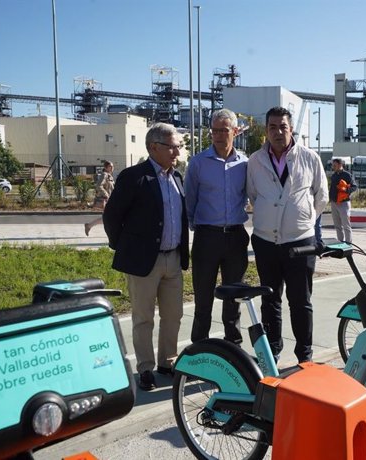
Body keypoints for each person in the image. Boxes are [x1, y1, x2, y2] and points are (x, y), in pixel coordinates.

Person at [103, 122, 189, 391]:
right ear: (154, 147)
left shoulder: (176, 178)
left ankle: (167, 361)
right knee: (143, 318)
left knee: (173, 315)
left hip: (173, 259)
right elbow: (112, 215)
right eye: (173, 146)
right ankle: (145, 368)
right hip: (144, 262)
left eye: (178, 146)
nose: (177, 152)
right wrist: (123, 246)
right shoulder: (134, 176)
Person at [247, 106, 328, 363]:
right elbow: (253, 195)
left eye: (283, 126)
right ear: (266, 131)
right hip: (265, 242)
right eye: (272, 127)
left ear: (291, 129)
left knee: (300, 301)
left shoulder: (309, 157)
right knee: (270, 301)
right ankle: (272, 352)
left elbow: (321, 195)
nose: (278, 132)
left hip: (300, 243)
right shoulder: (255, 161)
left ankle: (304, 355)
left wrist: (302, 220)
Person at [185, 108, 249, 345]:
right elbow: (189, 199)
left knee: (234, 298)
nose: (219, 135)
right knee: (203, 299)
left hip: (235, 238)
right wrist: (197, 227)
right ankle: (199, 350)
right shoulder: (198, 163)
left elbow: (247, 194)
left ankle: (234, 346)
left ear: (235, 131)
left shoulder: (245, 163)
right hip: (206, 238)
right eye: (214, 131)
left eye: (224, 130)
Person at [329, 158, 357, 243]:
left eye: (335, 165)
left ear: (340, 165)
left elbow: (354, 187)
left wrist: (346, 190)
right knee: (337, 225)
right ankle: (340, 242)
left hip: (344, 203)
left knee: (346, 225)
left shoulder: (347, 175)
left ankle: (348, 243)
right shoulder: (334, 175)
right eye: (333, 165)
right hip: (334, 203)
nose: (333, 167)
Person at [84, 160, 115, 236]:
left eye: (112, 166)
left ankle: (89, 226)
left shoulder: (109, 176)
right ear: (105, 167)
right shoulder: (104, 175)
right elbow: (99, 185)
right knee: (109, 217)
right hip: (106, 199)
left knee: (107, 217)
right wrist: (106, 194)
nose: (112, 168)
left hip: (109, 199)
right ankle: (89, 226)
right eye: (110, 166)